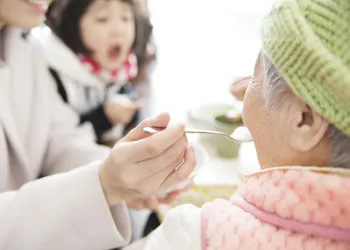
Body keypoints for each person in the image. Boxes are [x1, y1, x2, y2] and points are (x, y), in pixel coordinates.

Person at [124, 0, 350, 249]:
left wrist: (111, 188)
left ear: (304, 120)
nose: (242, 96)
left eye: (255, 77)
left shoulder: (193, 236)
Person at [0, 0, 196, 249]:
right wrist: (104, 185)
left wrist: (127, 175)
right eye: (103, 19)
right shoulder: (52, 60)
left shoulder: (25, 49)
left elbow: (61, 140)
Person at [34, 0, 152, 143]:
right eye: (102, 19)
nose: (119, 30)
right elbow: (58, 143)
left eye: (126, 18)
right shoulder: (54, 72)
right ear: (74, 24)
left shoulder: (118, 70)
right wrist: (105, 117)